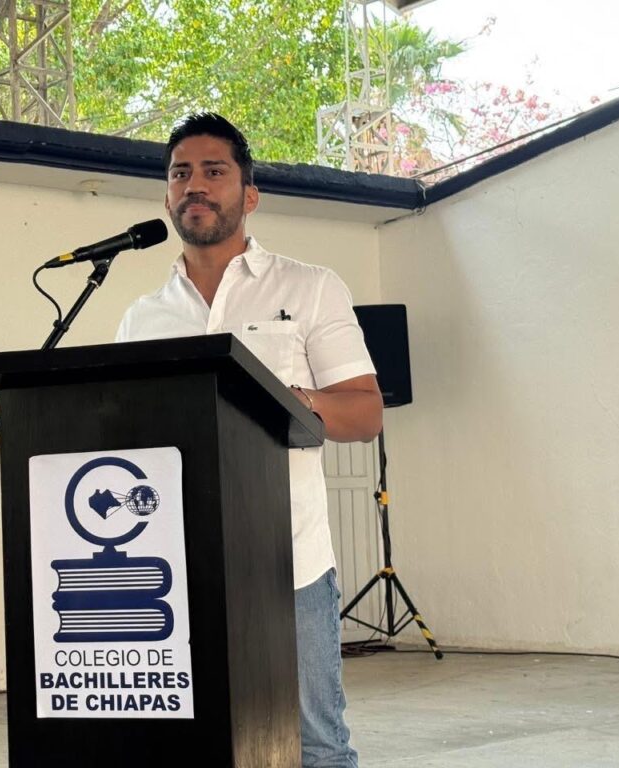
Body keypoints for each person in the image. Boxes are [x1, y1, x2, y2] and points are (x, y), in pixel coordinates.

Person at [115, 113, 383, 768]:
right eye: (180, 174)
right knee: (192, 744)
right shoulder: (142, 318)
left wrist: (294, 400)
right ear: (166, 196)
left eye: (214, 171)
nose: (194, 185)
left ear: (250, 194)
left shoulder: (309, 287)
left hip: (287, 564)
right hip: (174, 570)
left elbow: (364, 412)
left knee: (315, 746)